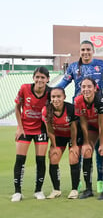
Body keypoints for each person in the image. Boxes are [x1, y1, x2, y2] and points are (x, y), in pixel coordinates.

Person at [57, 40, 103, 194]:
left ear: (93, 51)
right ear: (80, 51)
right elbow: (63, 83)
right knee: (83, 148)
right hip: (80, 110)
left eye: (88, 49)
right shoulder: (74, 67)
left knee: (98, 150)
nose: (85, 52)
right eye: (83, 50)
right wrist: (52, 92)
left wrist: (101, 83)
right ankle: (81, 182)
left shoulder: (101, 64)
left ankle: (101, 180)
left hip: (97, 108)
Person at [12, 67, 51, 202]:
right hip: (25, 129)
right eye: (37, 77)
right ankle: (17, 192)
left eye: (43, 77)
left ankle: (38, 190)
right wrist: (19, 128)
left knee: (40, 160)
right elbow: (17, 107)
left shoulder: (50, 92)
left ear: (47, 79)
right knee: (20, 160)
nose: (40, 80)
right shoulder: (25, 88)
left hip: (40, 130)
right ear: (33, 78)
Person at [74, 77, 103, 200]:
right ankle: (88, 189)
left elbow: (101, 124)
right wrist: (86, 142)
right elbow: (83, 122)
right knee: (86, 151)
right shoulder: (78, 100)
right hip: (91, 125)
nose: (86, 89)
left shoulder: (100, 100)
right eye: (83, 87)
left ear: (95, 88)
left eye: (89, 87)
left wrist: (102, 143)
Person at [42, 87, 80, 199]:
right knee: (53, 158)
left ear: (64, 97)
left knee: (73, 157)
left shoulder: (71, 109)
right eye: (53, 97)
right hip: (58, 136)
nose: (56, 99)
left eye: (59, 96)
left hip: (72, 136)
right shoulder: (46, 110)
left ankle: (74, 190)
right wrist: (53, 146)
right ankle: (56, 190)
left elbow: (74, 128)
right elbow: (49, 130)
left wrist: (74, 145)